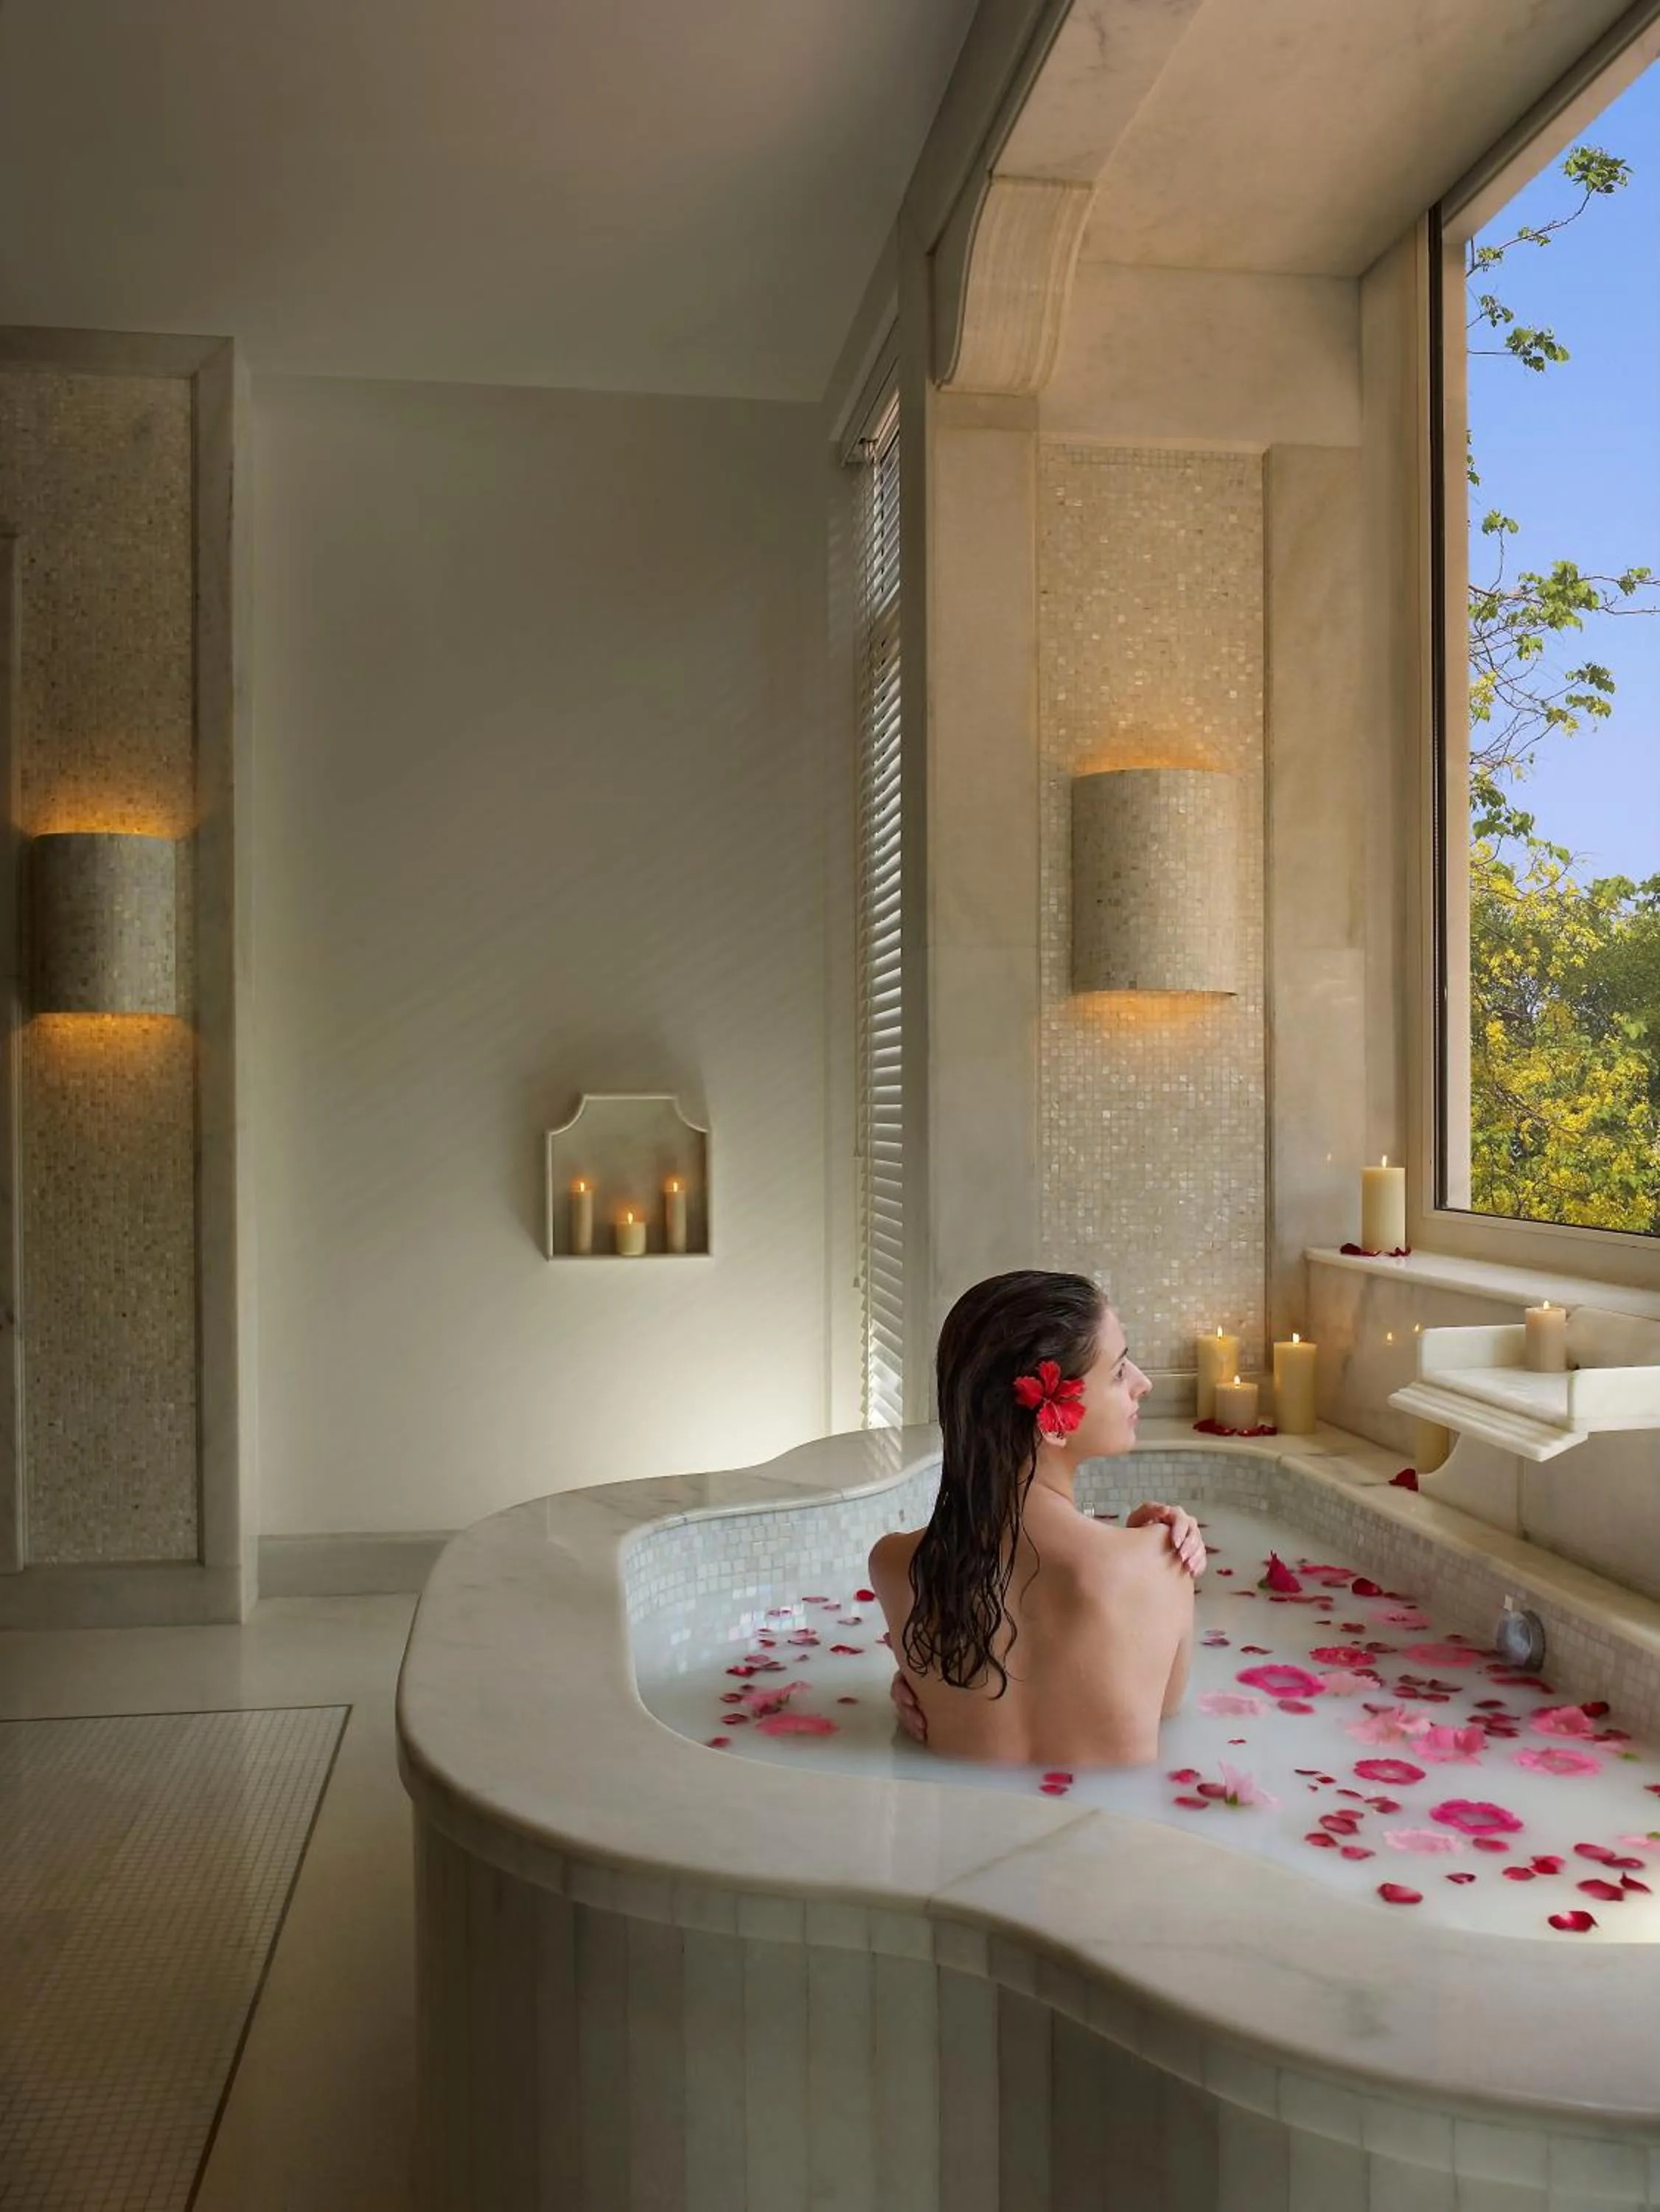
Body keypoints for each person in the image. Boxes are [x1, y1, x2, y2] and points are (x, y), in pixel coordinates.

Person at [868, 1270, 1204, 1769]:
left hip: (959, 1844)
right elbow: (1167, 1712)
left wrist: (911, 1688)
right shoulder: (1157, 1565)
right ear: (1053, 1419)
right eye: (1118, 1371)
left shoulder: (896, 1566)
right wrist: (1146, 1546)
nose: (1143, 1384)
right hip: (1120, 1841)